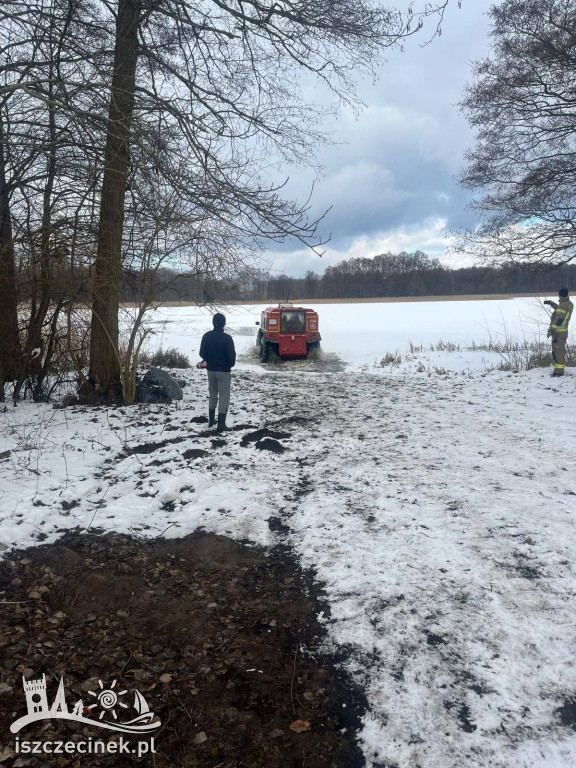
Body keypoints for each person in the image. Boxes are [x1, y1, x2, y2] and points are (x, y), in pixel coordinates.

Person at [198, 313, 236, 431]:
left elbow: (202, 354)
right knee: (224, 397)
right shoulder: (227, 338)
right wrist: (229, 364)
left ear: (213, 322)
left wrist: (210, 359)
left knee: (213, 395)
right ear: (223, 324)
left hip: (211, 370)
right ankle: (221, 424)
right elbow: (231, 359)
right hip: (224, 371)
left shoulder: (206, 336)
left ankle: (211, 421)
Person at [544, 288, 573, 377]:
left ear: (560, 295)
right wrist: (551, 303)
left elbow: (559, 319)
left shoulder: (563, 306)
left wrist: (551, 330)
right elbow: (559, 310)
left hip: (558, 333)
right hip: (563, 332)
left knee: (558, 352)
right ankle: (558, 370)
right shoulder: (568, 303)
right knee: (559, 351)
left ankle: (559, 372)